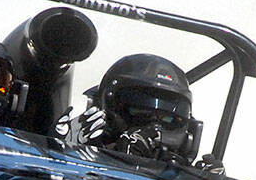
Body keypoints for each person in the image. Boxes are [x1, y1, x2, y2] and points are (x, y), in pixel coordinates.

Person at [55, 53, 224, 173]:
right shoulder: (75, 163)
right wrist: (63, 155)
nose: (153, 128)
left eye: (168, 118)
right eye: (140, 113)